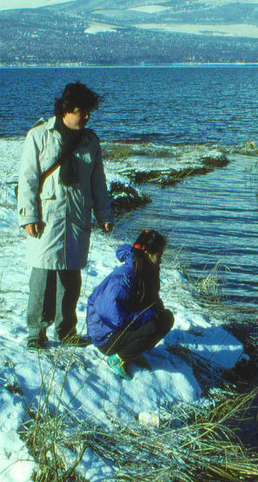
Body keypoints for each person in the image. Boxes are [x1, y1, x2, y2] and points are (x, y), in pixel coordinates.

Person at [17, 82, 114, 350]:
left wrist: (105, 214)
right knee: (43, 278)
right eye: (81, 111)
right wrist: (28, 216)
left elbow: (98, 182)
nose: (86, 117)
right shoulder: (39, 136)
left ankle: (67, 331)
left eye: (88, 112)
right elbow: (27, 180)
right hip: (47, 219)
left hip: (77, 219)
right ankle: (36, 333)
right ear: (65, 110)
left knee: (71, 279)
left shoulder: (90, 141)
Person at [86, 229, 175, 380]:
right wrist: (146, 315)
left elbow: (151, 299)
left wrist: (155, 310)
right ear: (147, 252)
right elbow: (115, 318)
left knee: (166, 318)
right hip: (105, 335)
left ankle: (132, 353)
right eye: (158, 256)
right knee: (152, 326)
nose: (160, 260)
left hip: (120, 327)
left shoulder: (146, 269)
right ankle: (118, 359)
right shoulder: (123, 278)